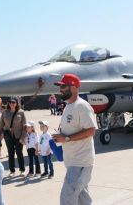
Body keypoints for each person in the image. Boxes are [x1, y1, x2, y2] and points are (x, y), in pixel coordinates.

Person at [52, 73, 97, 205]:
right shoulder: (68, 106)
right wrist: (60, 136)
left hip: (81, 162)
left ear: (74, 88)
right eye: (60, 87)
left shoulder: (82, 106)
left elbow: (91, 130)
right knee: (83, 200)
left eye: (64, 86)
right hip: (72, 162)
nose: (60, 89)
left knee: (67, 199)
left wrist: (66, 138)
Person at [0, 97, 26, 176]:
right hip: (8, 135)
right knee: (10, 153)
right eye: (10, 103)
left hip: (18, 135)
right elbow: (1, 125)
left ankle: (22, 170)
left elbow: (24, 126)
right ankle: (12, 171)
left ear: (16, 103)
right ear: (8, 104)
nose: (12, 104)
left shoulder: (21, 112)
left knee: (19, 152)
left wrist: (23, 137)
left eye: (13, 103)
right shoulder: (5, 113)